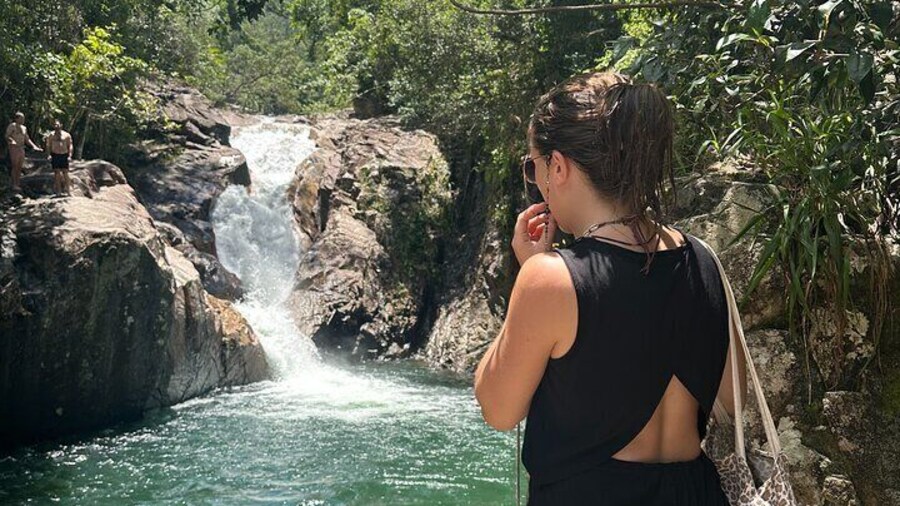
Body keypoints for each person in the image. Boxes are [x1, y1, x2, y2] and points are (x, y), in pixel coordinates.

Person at [474, 71, 747, 505]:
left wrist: (529, 275)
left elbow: (498, 409)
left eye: (534, 166)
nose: (536, 180)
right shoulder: (703, 259)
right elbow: (734, 401)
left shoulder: (551, 278)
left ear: (558, 166)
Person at [6, 112, 43, 192]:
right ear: (16, 118)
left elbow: (27, 139)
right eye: (21, 118)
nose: (23, 120)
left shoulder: (24, 128)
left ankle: (17, 183)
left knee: (19, 166)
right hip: (14, 147)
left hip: (21, 147)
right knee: (15, 165)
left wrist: (34, 146)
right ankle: (14, 184)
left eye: (23, 118)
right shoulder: (12, 126)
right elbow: (7, 136)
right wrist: (12, 141)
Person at [45, 119, 74, 195]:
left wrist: (70, 155)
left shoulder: (66, 135)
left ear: (61, 125)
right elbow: (48, 146)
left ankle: (68, 191)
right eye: (55, 125)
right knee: (57, 173)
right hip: (55, 155)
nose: (56, 126)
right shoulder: (51, 135)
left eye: (57, 124)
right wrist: (48, 155)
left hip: (64, 155)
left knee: (65, 172)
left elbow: (70, 145)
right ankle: (59, 191)